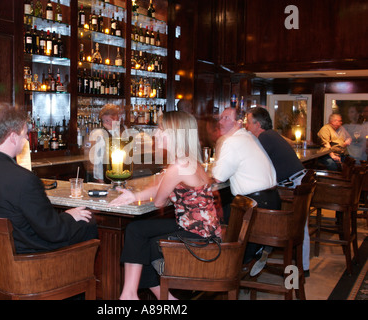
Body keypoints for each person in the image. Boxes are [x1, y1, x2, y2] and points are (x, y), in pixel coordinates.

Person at [109, 111, 222, 300]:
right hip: (201, 228)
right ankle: (139, 295)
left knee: (142, 240)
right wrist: (134, 196)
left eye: (161, 129)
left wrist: (153, 192)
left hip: (197, 234)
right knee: (137, 231)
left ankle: (139, 296)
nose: (155, 134)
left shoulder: (178, 166)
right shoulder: (189, 161)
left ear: (175, 133)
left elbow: (159, 200)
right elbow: (160, 188)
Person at [0, 103, 98, 255]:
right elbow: (53, 232)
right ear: (12, 137)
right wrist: (69, 216)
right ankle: (79, 277)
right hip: (27, 261)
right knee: (88, 222)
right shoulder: (24, 179)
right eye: (24, 133)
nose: (26, 138)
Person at [246, 106, 310, 276]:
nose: (246, 126)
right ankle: (303, 266)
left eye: (247, 123)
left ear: (257, 124)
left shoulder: (265, 137)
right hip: (297, 182)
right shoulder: (271, 135)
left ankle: (258, 249)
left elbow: (253, 163)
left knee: (256, 207)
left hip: (293, 184)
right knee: (301, 225)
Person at [212, 107, 280, 263]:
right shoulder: (249, 137)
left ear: (238, 122)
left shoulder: (233, 141)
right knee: (226, 208)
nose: (221, 122)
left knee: (216, 217)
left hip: (254, 208)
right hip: (271, 202)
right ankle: (252, 255)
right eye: (220, 118)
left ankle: (226, 266)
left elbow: (218, 177)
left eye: (226, 118)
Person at [87, 104, 127, 183]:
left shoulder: (124, 130)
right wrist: (100, 179)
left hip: (124, 173)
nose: (105, 124)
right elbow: (98, 159)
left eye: (108, 120)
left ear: (116, 118)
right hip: (108, 176)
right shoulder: (101, 135)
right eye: (103, 121)